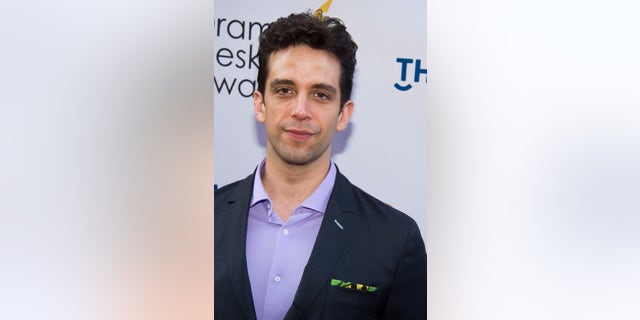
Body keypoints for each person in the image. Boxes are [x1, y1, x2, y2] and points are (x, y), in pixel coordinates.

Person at [215, 12, 427, 319]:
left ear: (343, 114)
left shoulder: (394, 240)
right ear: (260, 104)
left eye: (320, 94)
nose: (301, 110)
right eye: (285, 90)